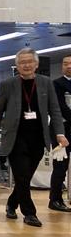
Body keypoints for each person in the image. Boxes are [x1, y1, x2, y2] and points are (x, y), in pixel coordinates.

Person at [0, 48, 68, 227]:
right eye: (22, 62)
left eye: (30, 61)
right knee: (22, 176)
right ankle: (29, 213)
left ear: (36, 64)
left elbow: (55, 110)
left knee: (25, 176)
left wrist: (60, 133)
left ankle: (11, 203)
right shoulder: (8, 84)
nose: (26, 65)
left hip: (38, 137)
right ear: (17, 66)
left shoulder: (46, 83)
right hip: (15, 138)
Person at [49, 55, 71, 212]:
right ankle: (55, 199)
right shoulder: (56, 84)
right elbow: (60, 108)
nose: (69, 66)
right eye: (65, 64)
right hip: (61, 131)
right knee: (60, 167)